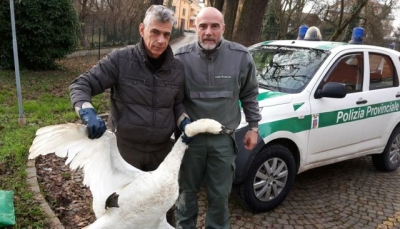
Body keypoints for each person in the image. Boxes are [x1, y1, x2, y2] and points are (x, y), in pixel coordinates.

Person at [69, 5, 188, 227]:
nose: (161, 40)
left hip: (160, 156)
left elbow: (177, 103)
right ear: (142, 29)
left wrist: (184, 122)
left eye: (166, 34)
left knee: (161, 211)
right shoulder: (120, 60)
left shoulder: (177, 69)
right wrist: (86, 110)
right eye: (155, 32)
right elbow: (82, 84)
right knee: (121, 214)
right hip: (125, 153)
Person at [174, 7, 261, 229]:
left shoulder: (240, 57)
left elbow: (249, 93)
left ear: (223, 28)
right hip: (190, 141)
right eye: (203, 26)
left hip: (223, 140)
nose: (208, 32)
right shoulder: (180, 58)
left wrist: (253, 126)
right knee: (185, 194)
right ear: (196, 28)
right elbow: (173, 99)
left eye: (214, 26)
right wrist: (181, 121)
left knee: (220, 197)